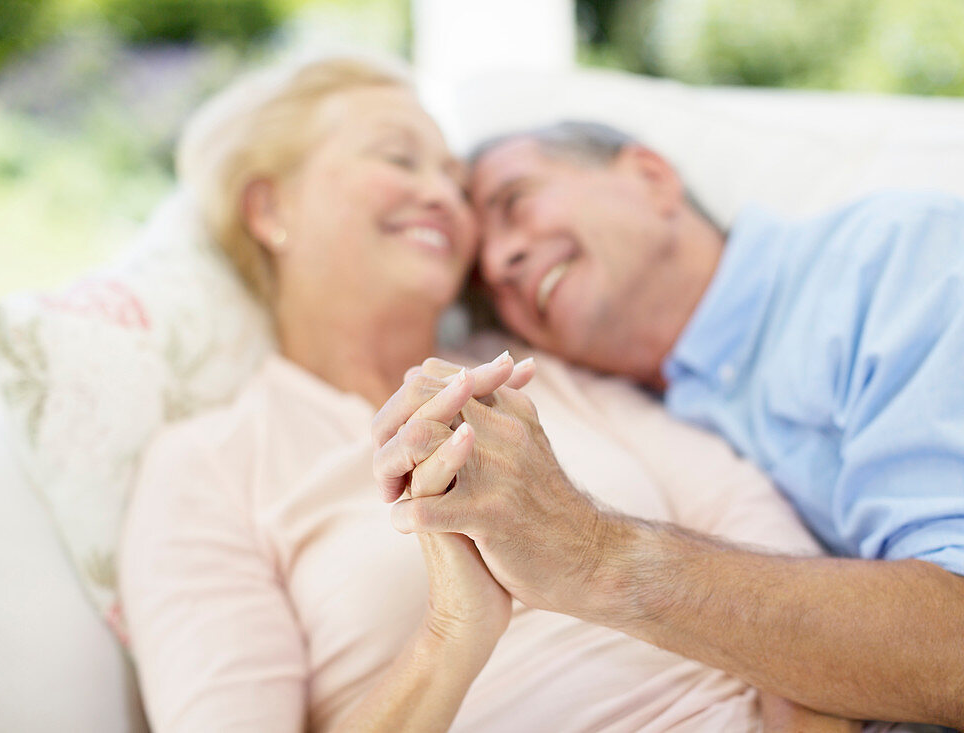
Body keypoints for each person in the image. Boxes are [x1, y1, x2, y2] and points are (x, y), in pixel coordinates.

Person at [119, 61, 856, 731]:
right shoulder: (205, 467)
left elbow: (789, 583)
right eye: (399, 158)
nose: (442, 195)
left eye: (453, 178)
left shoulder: (540, 374)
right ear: (269, 209)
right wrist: (450, 634)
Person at [374, 121, 964, 732]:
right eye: (484, 289)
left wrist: (591, 555)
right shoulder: (636, 420)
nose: (499, 264)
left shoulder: (905, 256)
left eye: (515, 202)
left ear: (651, 177)